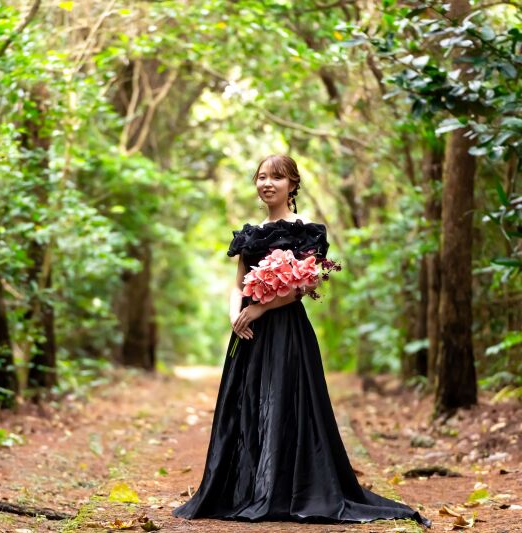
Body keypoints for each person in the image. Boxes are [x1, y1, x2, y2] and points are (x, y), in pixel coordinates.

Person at [172, 155, 431, 528]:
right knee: (247, 406)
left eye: (276, 177)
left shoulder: (306, 231)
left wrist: (261, 308)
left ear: (292, 184)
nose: (268, 184)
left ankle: (285, 489)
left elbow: (305, 287)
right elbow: (238, 283)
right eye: (261, 177)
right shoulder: (249, 233)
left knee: (286, 402)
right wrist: (235, 313)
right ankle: (248, 489)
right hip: (248, 333)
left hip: (287, 331)